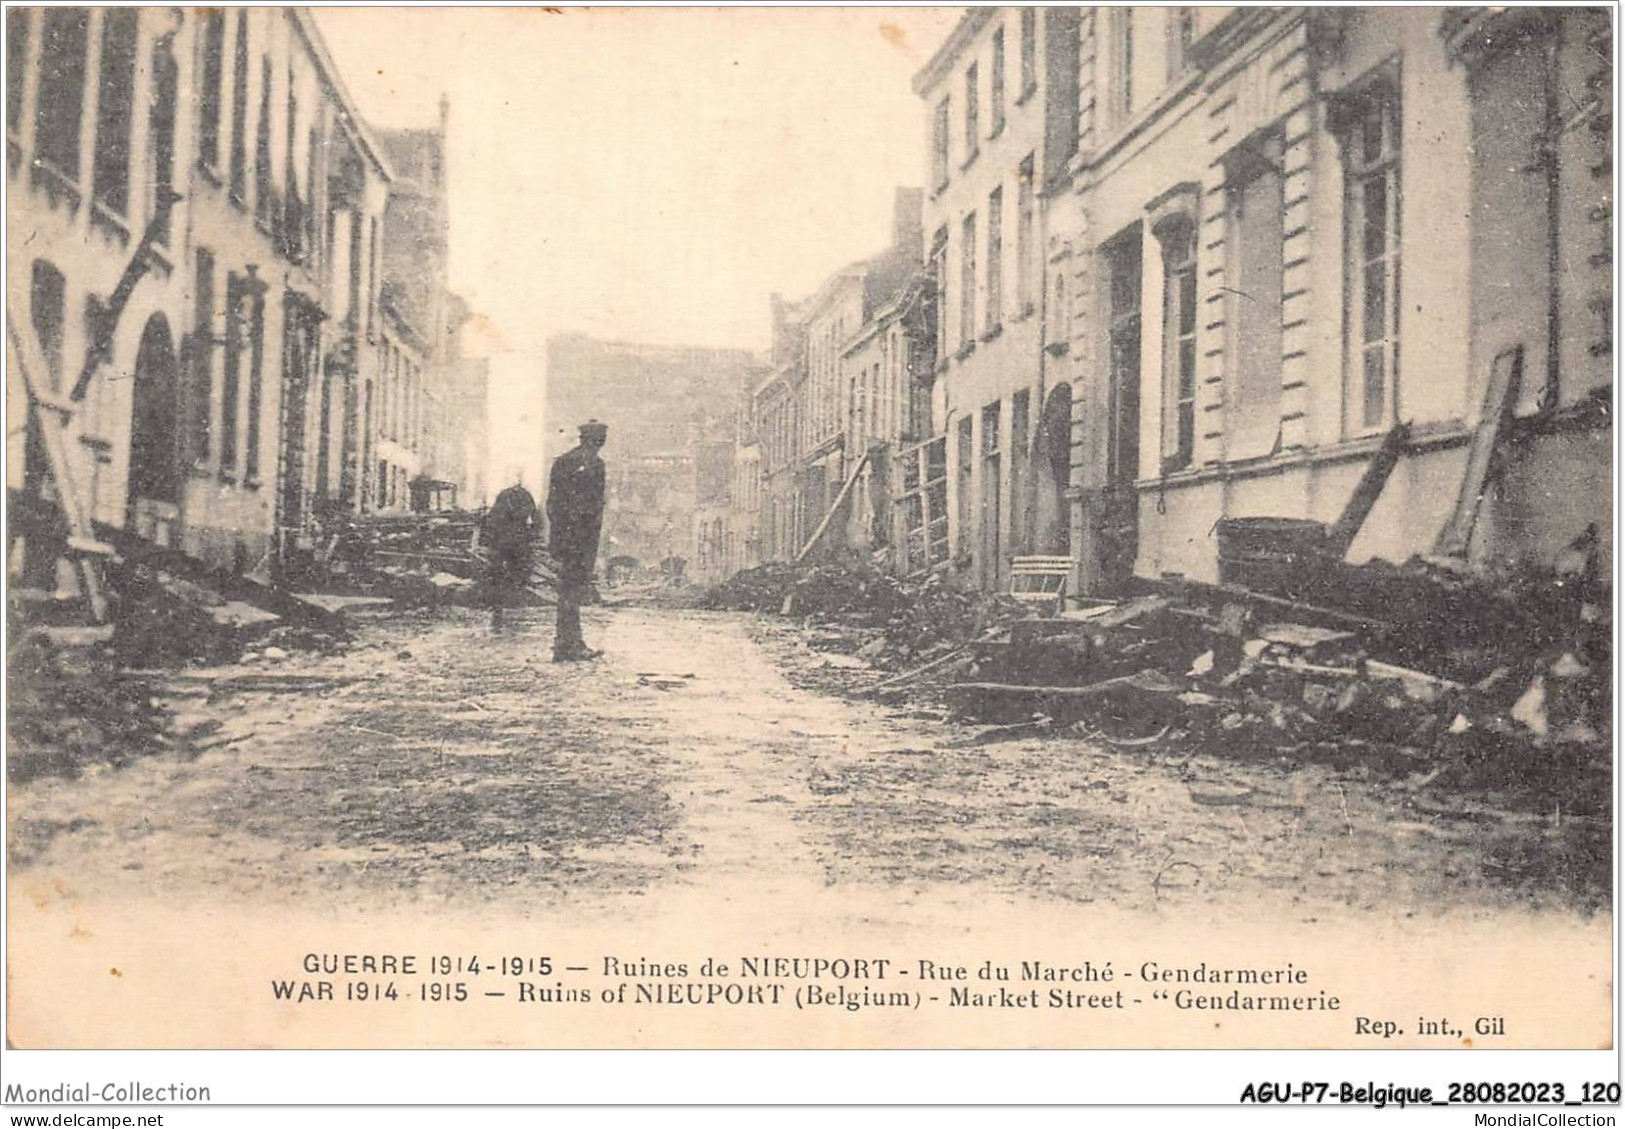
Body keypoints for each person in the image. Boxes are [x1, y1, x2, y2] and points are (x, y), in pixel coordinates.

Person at [547, 420, 608, 661]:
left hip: (568, 536)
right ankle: (569, 645)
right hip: (580, 537)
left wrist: (558, 536)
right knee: (572, 590)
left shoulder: (563, 461)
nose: (603, 440)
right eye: (601, 436)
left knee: (569, 591)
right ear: (594, 438)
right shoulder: (593, 464)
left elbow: (552, 504)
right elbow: (591, 507)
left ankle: (568, 641)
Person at [482, 472, 539, 632]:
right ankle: (513, 601)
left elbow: (493, 518)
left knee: (498, 573)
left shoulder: (503, 495)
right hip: (518, 540)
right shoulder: (526, 495)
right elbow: (535, 518)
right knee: (519, 571)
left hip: (504, 540)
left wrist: (492, 536)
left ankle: (498, 607)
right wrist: (531, 535)